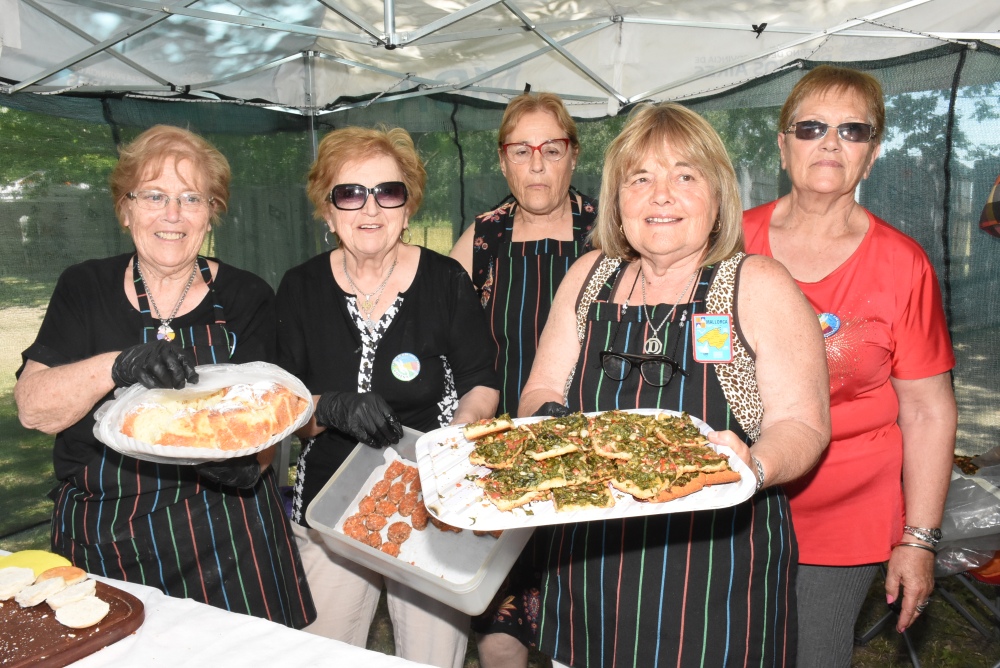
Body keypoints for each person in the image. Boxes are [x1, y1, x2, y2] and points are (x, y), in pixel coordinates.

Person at [519, 102, 831, 666]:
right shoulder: (589, 277)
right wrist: (557, 433)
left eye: (685, 176)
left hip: (714, 572)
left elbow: (803, 424)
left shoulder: (757, 285)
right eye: (641, 178)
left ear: (717, 198)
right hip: (591, 564)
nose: (661, 195)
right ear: (618, 200)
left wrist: (752, 466)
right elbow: (540, 387)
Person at [14, 125, 315, 628]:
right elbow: (33, 407)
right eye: (154, 195)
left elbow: (267, 414)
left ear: (212, 212)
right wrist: (117, 365)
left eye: (190, 198)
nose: (172, 214)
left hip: (228, 536)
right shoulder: (84, 287)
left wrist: (255, 465)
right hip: (108, 532)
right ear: (125, 208)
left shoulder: (247, 296)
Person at [743, 65, 957, 666]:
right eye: (810, 127)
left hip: (847, 508)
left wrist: (919, 539)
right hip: (735, 500)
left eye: (852, 130)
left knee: (813, 652)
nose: (830, 143)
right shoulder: (726, 243)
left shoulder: (902, 264)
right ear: (783, 145)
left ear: (873, 153)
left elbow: (927, 410)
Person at [276, 126, 500, 668]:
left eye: (388, 191)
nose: (370, 207)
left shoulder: (446, 280)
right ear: (326, 210)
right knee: (321, 656)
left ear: (408, 205)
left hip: (430, 509)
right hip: (329, 508)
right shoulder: (300, 288)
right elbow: (280, 405)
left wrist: (452, 440)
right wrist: (327, 407)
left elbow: (482, 382)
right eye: (350, 193)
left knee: (431, 658)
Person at [449, 91, 596, 666]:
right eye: (521, 150)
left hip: (586, 447)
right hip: (504, 454)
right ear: (503, 160)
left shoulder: (605, 230)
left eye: (551, 149)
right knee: (499, 629)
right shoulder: (483, 238)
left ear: (573, 155)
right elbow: (438, 326)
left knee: (585, 619)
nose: (536, 164)